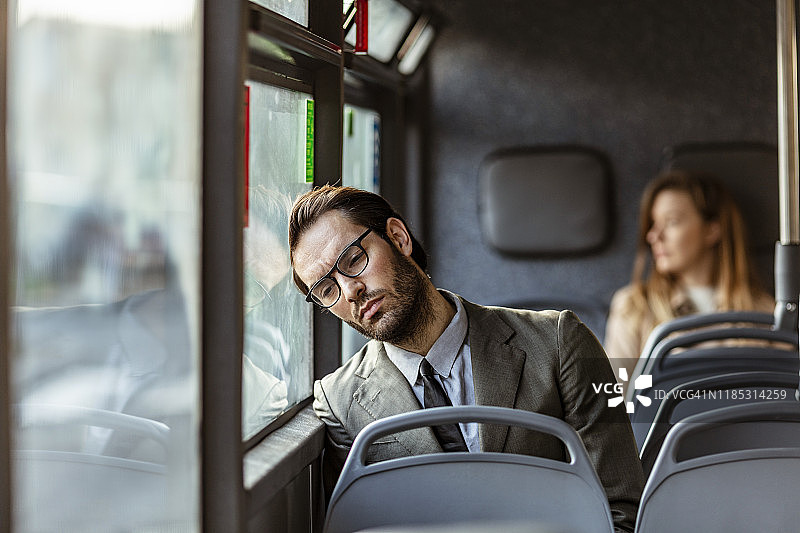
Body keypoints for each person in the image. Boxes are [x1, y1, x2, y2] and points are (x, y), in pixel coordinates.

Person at [289, 185, 645, 533]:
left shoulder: (559, 342)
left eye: (353, 259)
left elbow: (620, 510)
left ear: (398, 237)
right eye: (326, 289)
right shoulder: (340, 402)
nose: (351, 291)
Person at [604, 171, 774, 385]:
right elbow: (614, 404)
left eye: (671, 222)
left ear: (712, 230)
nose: (654, 236)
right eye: (653, 223)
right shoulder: (634, 306)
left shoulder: (765, 313)